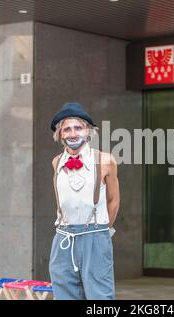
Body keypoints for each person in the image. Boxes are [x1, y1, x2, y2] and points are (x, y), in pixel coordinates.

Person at [49, 102, 120, 300]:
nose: (73, 134)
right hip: (63, 237)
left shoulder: (105, 160)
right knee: (64, 295)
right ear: (60, 134)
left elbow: (113, 201)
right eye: (67, 129)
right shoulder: (56, 162)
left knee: (100, 296)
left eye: (78, 127)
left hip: (95, 235)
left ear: (88, 130)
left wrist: (100, 232)